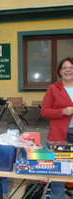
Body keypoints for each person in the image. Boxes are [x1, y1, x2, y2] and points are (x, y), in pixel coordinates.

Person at [41, 57, 73, 199]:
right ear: (60, 71)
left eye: (71, 67)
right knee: (59, 171)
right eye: (65, 68)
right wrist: (62, 111)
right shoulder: (53, 88)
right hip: (60, 136)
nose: (68, 70)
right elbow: (44, 111)